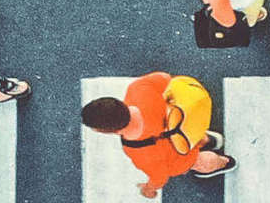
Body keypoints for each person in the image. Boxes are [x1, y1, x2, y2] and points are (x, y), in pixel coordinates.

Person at [81, 73, 234, 194]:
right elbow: (166, 79)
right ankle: (209, 140)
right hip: (182, 123)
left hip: (181, 155)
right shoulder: (138, 89)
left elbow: (159, 176)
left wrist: (150, 188)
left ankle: (224, 162)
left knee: (201, 161)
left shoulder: (138, 152)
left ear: (109, 131)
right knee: (193, 137)